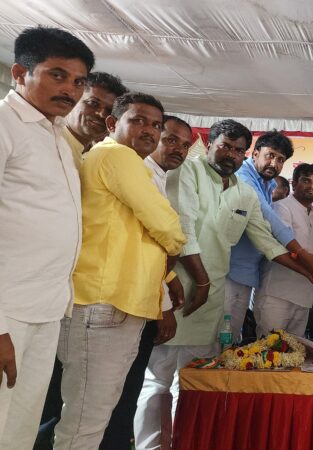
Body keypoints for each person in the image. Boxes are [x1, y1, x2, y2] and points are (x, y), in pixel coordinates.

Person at [133, 120, 313, 448]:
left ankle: (187, 443)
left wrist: (310, 273)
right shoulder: (187, 172)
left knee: (197, 381)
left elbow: (267, 241)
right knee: (157, 379)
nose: (231, 154)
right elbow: (183, 229)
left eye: (238, 150)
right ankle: (150, 446)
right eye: (225, 146)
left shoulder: (244, 192)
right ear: (210, 144)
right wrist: (201, 281)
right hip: (176, 290)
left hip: (212, 297)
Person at [55, 93, 187, 450]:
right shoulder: (117, 155)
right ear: (113, 123)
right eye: (138, 120)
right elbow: (167, 226)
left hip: (117, 304)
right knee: (85, 422)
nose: (149, 130)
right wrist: (173, 241)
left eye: (156, 125)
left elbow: (150, 230)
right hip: (104, 302)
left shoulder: (122, 161)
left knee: (94, 417)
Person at [0, 26, 93, 450]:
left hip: (46, 309)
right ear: (20, 73)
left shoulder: (53, 134)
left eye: (78, 81)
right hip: (9, 312)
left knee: (19, 430)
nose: (70, 90)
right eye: (58, 75)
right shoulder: (5, 124)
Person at [36, 71, 129, 450]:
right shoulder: (48, 145)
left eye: (108, 110)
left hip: (64, 297)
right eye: (92, 103)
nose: (99, 114)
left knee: (56, 404)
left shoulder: (89, 155)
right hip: (29, 296)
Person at [98, 115, 193, 450]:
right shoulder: (137, 171)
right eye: (171, 139)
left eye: (185, 145)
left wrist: (169, 277)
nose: (178, 149)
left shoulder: (157, 176)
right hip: (121, 299)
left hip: (140, 297)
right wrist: (163, 306)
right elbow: (167, 236)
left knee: (125, 391)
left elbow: (151, 245)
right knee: (111, 397)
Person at [226, 131, 313, 343]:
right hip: (227, 272)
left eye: (280, 159)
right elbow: (268, 221)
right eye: (270, 155)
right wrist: (303, 256)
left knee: (230, 339)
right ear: (255, 153)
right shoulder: (243, 177)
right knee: (218, 340)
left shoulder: (268, 185)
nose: (274, 163)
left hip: (246, 274)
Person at [256, 163, 313, 336]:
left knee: (295, 350)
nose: (311, 186)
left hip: (303, 296)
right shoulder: (281, 207)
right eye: (306, 181)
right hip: (277, 294)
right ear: (294, 184)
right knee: (268, 348)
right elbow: (282, 248)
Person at [63, 72, 128, 165]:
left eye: (109, 111)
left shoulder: (102, 158)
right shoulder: (50, 142)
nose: (102, 114)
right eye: (93, 103)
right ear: (72, 101)